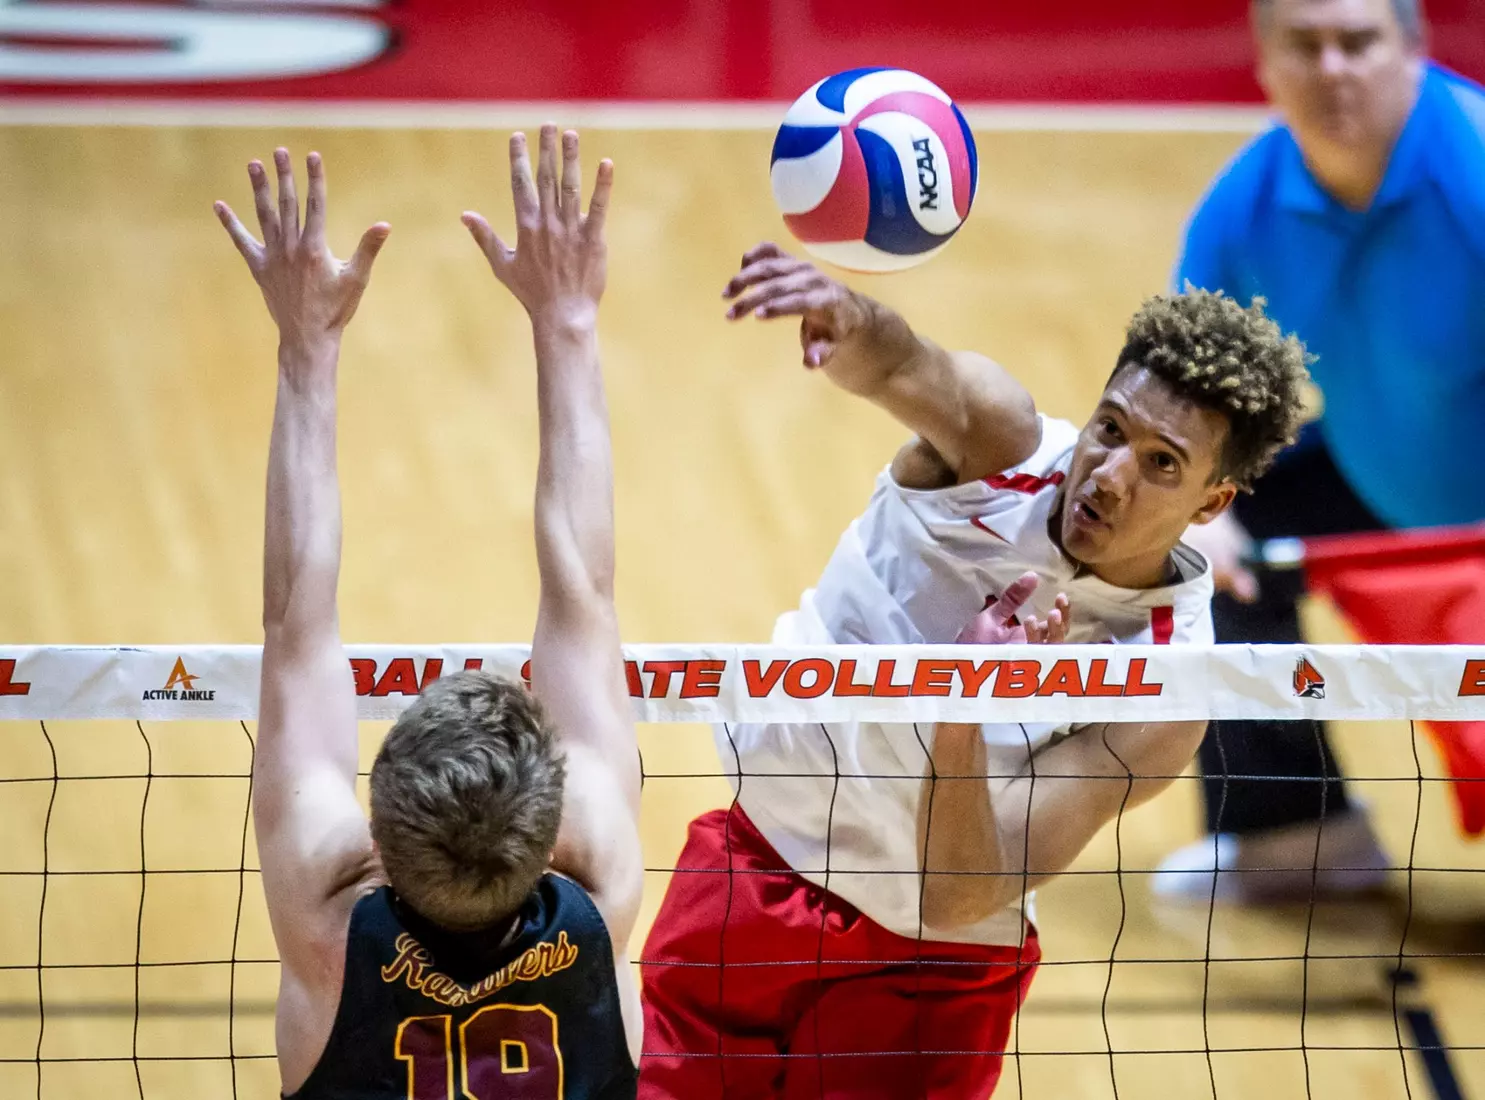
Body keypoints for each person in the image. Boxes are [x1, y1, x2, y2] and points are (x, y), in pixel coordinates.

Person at [637, 242, 1311, 1099]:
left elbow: (961, 897)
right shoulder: (995, 446)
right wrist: (846, 316)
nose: (1109, 476)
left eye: (1160, 464)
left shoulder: (1168, 687)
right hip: (758, 869)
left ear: (1210, 503)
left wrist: (963, 700)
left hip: (930, 969)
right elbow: (899, 360)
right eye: (1110, 429)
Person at [214, 126, 642, 1099]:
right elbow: (585, 592)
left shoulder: (329, 926)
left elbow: (294, 630)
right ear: (550, 826)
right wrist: (568, 319)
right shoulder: (599, 892)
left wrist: (306, 348)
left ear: (376, 828)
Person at [1159, 0, 1485, 901]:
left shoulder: (1473, 174)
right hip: (1383, 476)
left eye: (1357, 42)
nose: (1332, 68)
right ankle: (1297, 838)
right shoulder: (1243, 207)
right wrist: (1192, 508)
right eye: (1304, 46)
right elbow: (1177, 396)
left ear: (1412, 50)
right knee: (1192, 542)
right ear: (1264, 64)